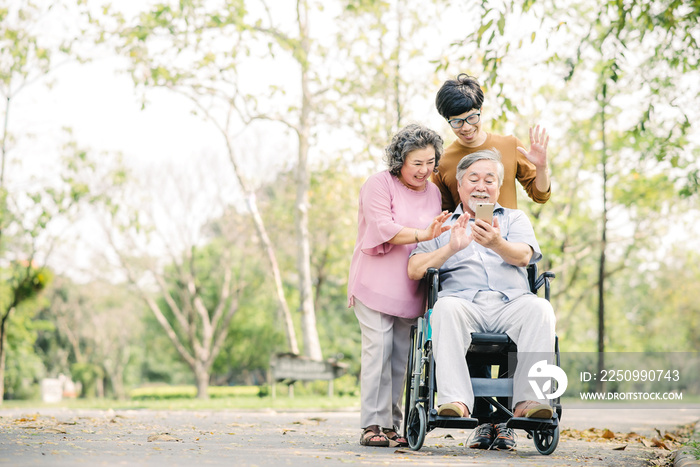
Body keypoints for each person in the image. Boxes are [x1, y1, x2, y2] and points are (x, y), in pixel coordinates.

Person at [407, 149, 556, 451]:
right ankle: (455, 400)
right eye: (473, 179)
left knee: (541, 307)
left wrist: (498, 243)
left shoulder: (515, 218)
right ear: (460, 187)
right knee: (444, 308)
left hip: (511, 304)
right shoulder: (444, 223)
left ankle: (530, 400)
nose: (481, 186)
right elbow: (414, 269)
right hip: (463, 304)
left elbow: (525, 256)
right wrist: (450, 248)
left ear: (498, 188)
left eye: (489, 180)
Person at [348, 123, 452, 447]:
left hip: (410, 287)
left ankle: (391, 426)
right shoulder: (379, 184)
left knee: (399, 361)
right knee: (377, 352)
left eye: (430, 162)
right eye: (417, 163)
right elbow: (384, 228)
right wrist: (424, 234)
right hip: (375, 283)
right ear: (400, 160)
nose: (424, 170)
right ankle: (371, 425)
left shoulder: (434, 191)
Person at [433, 73, 551, 211]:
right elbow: (444, 213)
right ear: (447, 120)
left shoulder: (511, 145)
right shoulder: (442, 162)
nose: (466, 128)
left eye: (471, 118)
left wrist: (542, 168)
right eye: (457, 121)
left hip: (507, 232)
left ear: (481, 111)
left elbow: (540, 196)